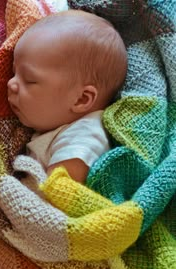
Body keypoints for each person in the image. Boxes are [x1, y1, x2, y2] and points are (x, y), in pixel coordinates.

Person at [7, 10, 127, 183]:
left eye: (30, 80)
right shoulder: (61, 127)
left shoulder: (84, 136)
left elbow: (60, 194)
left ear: (81, 99)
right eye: (14, 72)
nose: (11, 84)